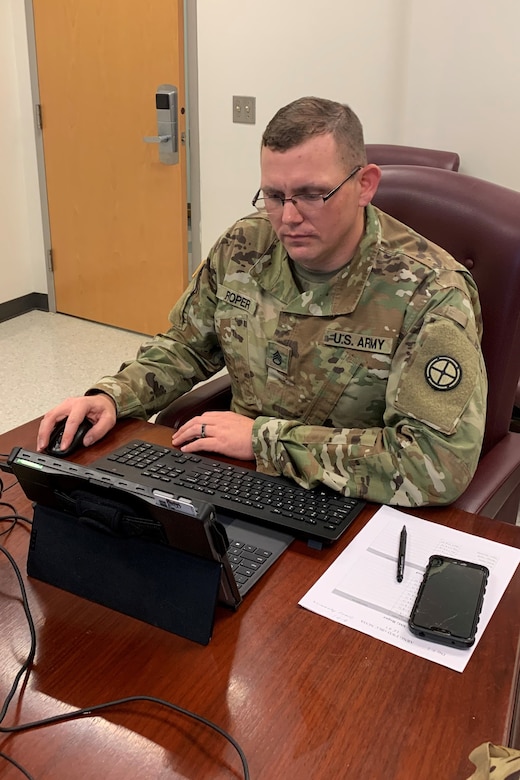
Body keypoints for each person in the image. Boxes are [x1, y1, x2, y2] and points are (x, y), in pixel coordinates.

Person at [37, 96, 487, 507]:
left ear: (365, 185)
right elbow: (187, 345)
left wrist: (265, 440)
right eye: (274, 196)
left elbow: (434, 464)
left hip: (351, 502)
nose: (289, 218)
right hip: (236, 480)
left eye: (313, 194)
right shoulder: (244, 246)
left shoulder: (431, 290)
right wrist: (114, 396)